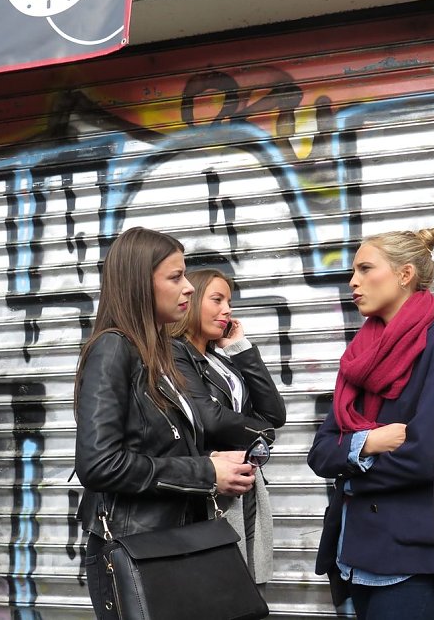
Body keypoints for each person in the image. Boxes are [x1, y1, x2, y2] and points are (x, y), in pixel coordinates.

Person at [74, 227, 256, 619]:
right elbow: (99, 464)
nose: (188, 287)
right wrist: (205, 471)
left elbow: (157, 444)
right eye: (175, 277)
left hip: (172, 540)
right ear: (140, 283)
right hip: (135, 549)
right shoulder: (113, 349)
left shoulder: (157, 354)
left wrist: (213, 460)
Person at [307, 229, 434, 620]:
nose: (353, 282)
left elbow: (427, 454)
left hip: (413, 557)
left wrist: (349, 475)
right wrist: (366, 443)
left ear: (404, 274)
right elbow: (321, 451)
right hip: (354, 553)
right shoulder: (361, 353)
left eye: (365, 269)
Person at [169, 268, 286, 585]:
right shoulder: (174, 352)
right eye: (217, 299)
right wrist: (262, 434)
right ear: (191, 302)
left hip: (244, 487)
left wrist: (242, 349)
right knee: (220, 588)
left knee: (247, 586)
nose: (227, 310)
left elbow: (274, 414)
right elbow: (209, 418)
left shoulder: (219, 358)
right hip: (210, 492)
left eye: (229, 302)